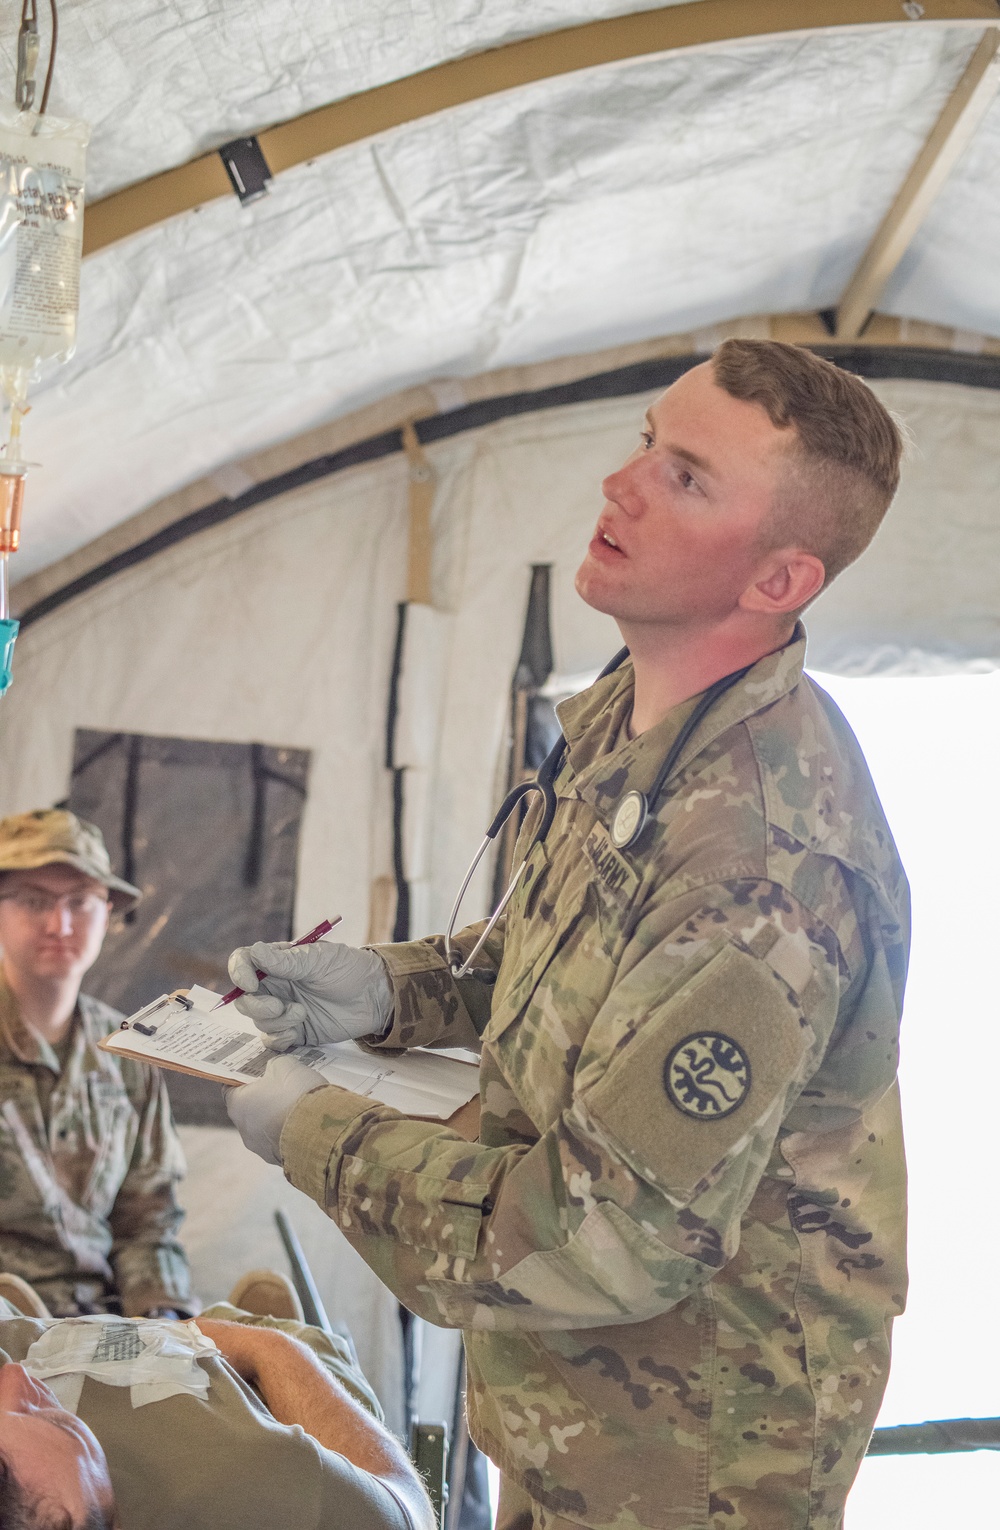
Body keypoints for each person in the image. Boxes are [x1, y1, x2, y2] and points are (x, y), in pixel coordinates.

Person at [226, 339, 910, 1530]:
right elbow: (559, 956)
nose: (623, 484)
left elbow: (607, 1240)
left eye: (688, 477)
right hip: (575, 1417)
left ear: (777, 581)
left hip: (692, 1465)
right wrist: (385, 993)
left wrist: (319, 1134)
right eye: (648, 442)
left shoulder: (763, 863)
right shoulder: (634, 721)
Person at [0, 1269, 434, 1530]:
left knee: (26, 1331)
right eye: (38, 1413)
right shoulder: (262, 1487)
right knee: (319, 1360)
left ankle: (38, 1318)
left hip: (87, 1336)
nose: (17, 1377)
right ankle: (287, 1337)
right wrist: (270, 1349)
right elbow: (409, 1514)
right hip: (234, 1378)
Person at [0, 809, 193, 1319]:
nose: (58, 923)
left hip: (96, 1324)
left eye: (80, 902)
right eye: (32, 900)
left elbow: (147, 1220)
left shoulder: (128, 1054)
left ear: (107, 913)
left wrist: (161, 1319)